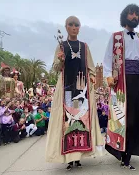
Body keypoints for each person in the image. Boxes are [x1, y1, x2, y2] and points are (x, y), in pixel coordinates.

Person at [45, 16, 104, 170]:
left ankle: (78, 157)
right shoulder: (61, 46)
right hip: (66, 89)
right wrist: (60, 60)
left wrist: (91, 79)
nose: (74, 27)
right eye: (71, 25)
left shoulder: (84, 46)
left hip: (82, 90)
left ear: (79, 27)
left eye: (76, 25)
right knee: (68, 122)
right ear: (66, 27)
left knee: (81, 121)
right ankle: (69, 158)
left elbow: (91, 67)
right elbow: (56, 68)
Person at [103, 4, 139, 170]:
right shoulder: (116, 36)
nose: (134, 17)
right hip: (122, 83)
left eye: (136, 14)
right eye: (131, 14)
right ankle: (122, 152)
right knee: (124, 118)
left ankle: (129, 154)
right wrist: (109, 75)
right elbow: (107, 58)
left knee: (138, 118)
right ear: (125, 16)